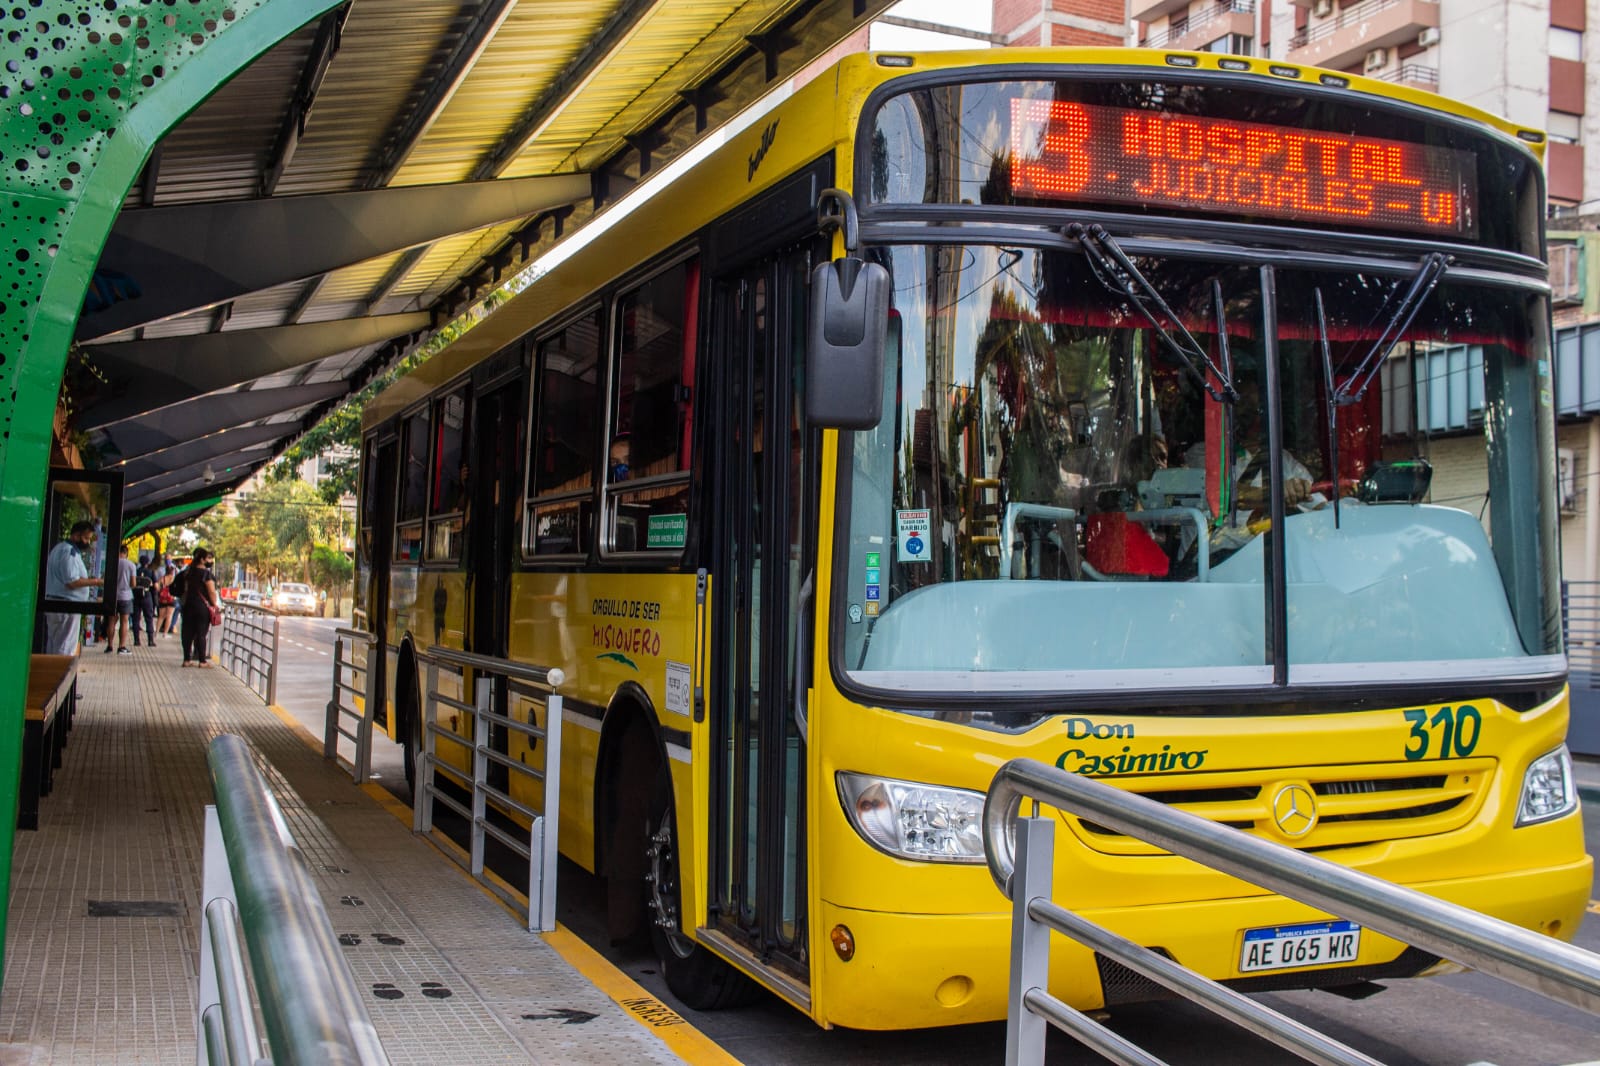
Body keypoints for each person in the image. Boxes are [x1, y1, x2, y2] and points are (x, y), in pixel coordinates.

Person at [43, 521, 102, 655]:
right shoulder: (69, 552)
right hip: (66, 606)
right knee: (65, 647)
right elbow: (72, 581)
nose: (87, 542)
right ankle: (60, 673)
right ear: (76, 535)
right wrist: (96, 581)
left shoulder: (60, 548)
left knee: (54, 644)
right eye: (86, 538)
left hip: (57, 603)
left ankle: (53, 672)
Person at [179, 548, 221, 668]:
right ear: (202, 560)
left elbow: (185, 589)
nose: (210, 561)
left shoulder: (188, 572)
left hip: (188, 605)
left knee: (187, 633)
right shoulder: (206, 574)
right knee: (201, 633)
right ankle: (202, 661)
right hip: (202, 607)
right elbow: (211, 591)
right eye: (207, 558)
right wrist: (214, 604)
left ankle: (187, 659)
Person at [105, 544, 136, 655]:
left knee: (111, 621)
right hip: (125, 596)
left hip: (112, 596)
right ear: (126, 553)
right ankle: (121, 647)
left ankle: (109, 646)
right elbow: (133, 583)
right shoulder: (131, 565)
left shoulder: (111, 563)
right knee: (124, 622)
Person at [131, 554, 157, 646]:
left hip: (136, 596)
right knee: (149, 618)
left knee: (136, 619)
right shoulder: (151, 572)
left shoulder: (136, 571)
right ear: (148, 563)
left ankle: (136, 640)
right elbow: (156, 586)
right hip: (147, 596)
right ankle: (150, 640)